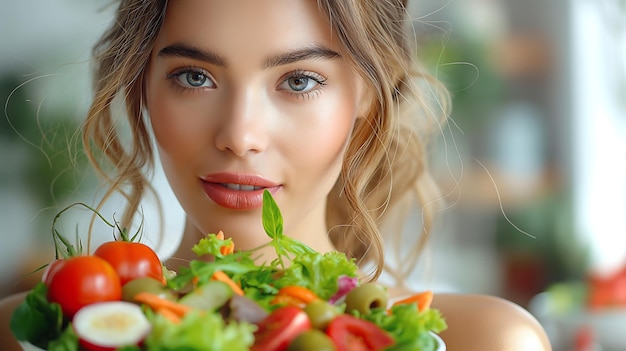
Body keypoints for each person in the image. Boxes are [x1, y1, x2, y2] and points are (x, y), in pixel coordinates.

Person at [0, 0, 552, 350]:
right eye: (194, 76)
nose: (240, 135)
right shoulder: (37, 332)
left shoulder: (487, 342)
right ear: (142, 84)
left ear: (366, 95)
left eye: (299, 81)